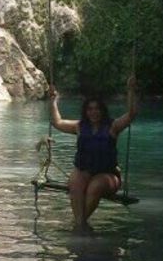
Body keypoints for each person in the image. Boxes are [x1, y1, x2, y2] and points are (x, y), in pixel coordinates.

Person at [49, 75, 138, 232]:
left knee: (94, 187)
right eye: (90, 109)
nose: (94, 112)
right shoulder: (79, 126)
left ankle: (78, 225)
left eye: (97, 108)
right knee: (75, 185)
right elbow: (58, 122)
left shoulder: (113, 126)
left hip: (107, 174)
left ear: (102, 110)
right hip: (84, 170)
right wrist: (54, 101)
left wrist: (131, 90)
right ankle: (80, 225)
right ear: (86, 111)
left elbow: (131, 115)